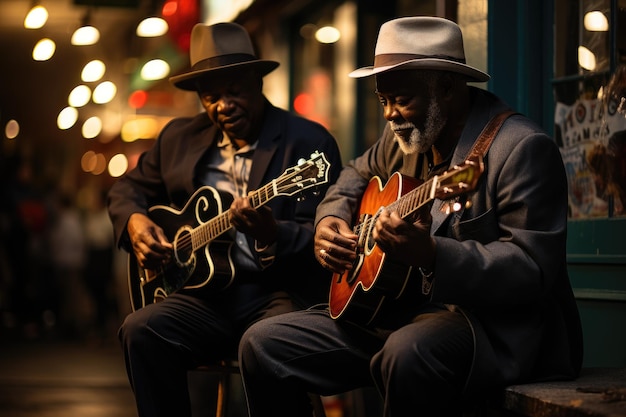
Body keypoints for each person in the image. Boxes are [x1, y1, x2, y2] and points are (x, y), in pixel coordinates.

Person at [239, 16, 583, 417]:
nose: (389, 114)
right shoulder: (404, 136)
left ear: (448, 88)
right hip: (396, 310)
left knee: (405, 354)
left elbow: (532, 270)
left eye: (402, 98)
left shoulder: (520, 148)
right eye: (383, 100)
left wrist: (435, 255)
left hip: (487, 329)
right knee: (262, 343)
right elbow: (353, 174)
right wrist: (328, 221)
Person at [107, 22, 342, 417]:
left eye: (234, 91)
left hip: (274, 294)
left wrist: (271, 233)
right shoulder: (178, 138)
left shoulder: (307, 144)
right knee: (140, 330)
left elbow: (321, 238)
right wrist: (135, 222)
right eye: (211, 97)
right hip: (202, 300)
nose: (223, 106)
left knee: (270, 340)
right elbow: (126, 189)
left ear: (257, 82)